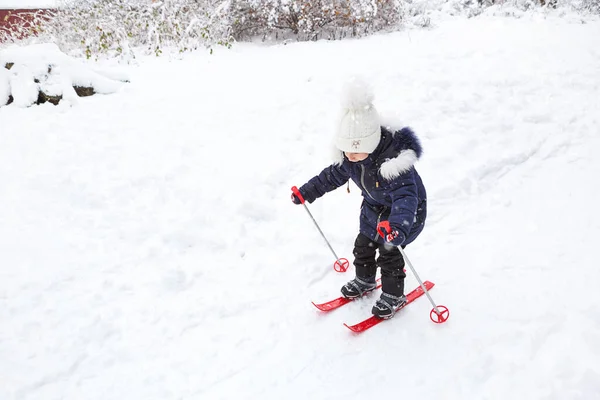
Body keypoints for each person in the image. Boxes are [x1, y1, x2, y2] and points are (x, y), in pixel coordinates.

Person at [291, 80, 427, 319]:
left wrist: (397, 227)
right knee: (363, 246)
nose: (351, 155)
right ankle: (364, 280)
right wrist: (308, 191)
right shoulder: (351, 160)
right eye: (347, 149)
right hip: (373, 209)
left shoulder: (394, 165)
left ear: (372, 143)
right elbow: (330, 176)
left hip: (404, 214)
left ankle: (393, 294)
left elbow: (407, 197)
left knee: (389, 252)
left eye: (357, 148)